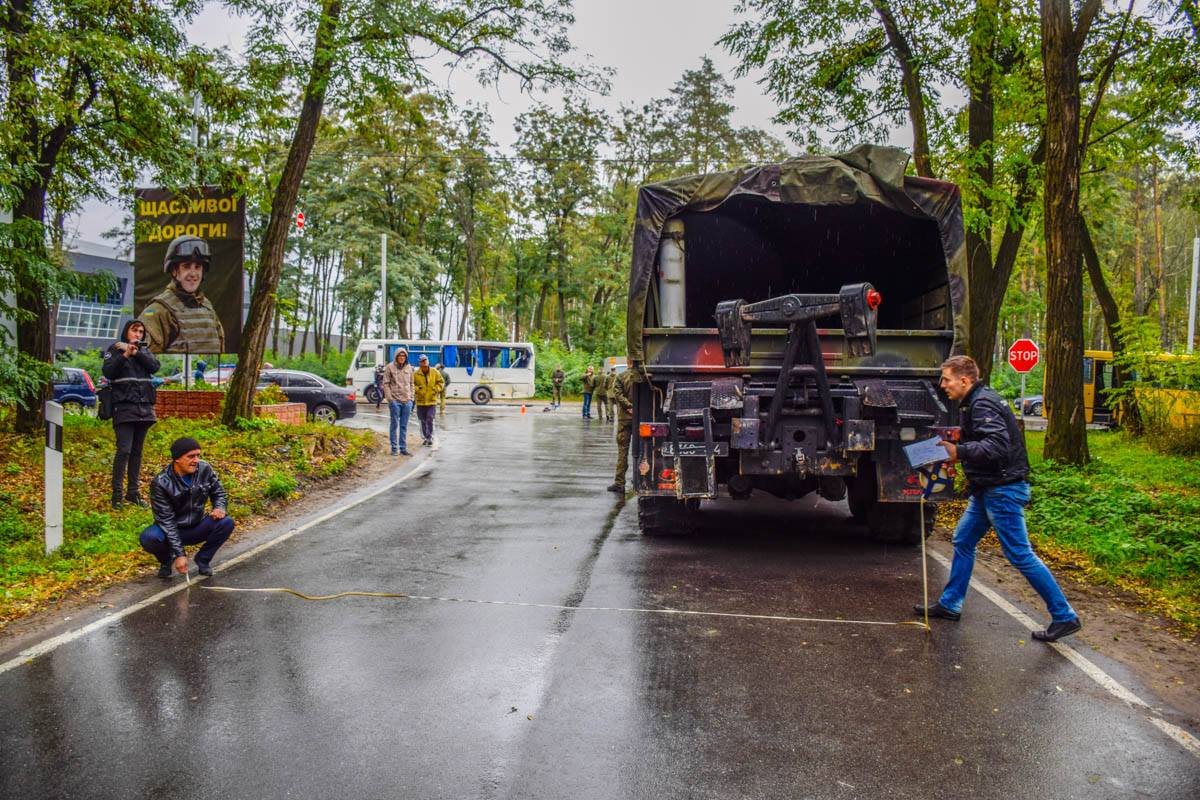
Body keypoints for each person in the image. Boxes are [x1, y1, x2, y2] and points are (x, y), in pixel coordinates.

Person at [914, 355, 1082, 643]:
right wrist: (960, 455)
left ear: (964, 380)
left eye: (946, 379)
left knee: (1019, 553)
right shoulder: (976, 401)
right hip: (987, 489)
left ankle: (1065, 616)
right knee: (963, 539)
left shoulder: (982, 404)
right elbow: (985, 445)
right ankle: (951, 603)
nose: (942, 385)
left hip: (1003, 490)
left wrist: (959, 452)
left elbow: (997, 446)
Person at [139, 437, 234, 578]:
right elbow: (166, 520)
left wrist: (219, 507)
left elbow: (219, 492)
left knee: (226, 522)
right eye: (190, 456)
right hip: (171, 530)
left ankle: (203, 559)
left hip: (197, 525)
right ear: (177, 458)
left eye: (198, 455)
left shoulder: (204, 468)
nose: (196, 460)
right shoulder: (160, 482)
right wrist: (179, 554)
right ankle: (166, 560)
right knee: (149, 537)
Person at [102, 319, 160, 509]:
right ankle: (116, 495)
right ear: (126, 332)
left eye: (141, 331)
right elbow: (109, 371)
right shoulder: (115, 349)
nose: (138, 334)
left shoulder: (144, 351)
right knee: (124, 450)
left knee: (137, 453)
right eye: (134, 330)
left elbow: (154, 367)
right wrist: (126, 354)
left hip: (144, 409)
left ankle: (133, 493)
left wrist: (138, 352)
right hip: (124, 408)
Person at [141, 234, 225, 354]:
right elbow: (144, 360)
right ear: (174, 270)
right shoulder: (159, 310)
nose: (193, 273)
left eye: (197, 267)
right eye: (186, 266)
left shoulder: (207, 306)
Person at [607, 368, 639, 493]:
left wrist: (629, 406)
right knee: (642, 451)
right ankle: (639, 479)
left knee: (622, 451)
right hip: (640, 418)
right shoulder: (642, 376)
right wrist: (635, 408)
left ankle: (619, 483)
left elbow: (618, 395)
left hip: (624, 419)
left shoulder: (621, 376)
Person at [383, 347, 414, 456]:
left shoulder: (409, 368)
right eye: (400, 356)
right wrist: (390, 399)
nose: (402, 358)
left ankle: (403, 448)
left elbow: (411, 383)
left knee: (404, 425)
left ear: (406, 357)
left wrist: (411, 398)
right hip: (395, 401)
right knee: (394, 424)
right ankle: (394, 448)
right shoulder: (389, 367)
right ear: (396, 356)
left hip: (407, 401)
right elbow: (386, 384)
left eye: (404, 356)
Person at [413, 355, 445, 446]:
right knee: (422, 420)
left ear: (428, 361)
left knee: (430, 419)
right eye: (422, 361)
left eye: (425, 360)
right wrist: (418, 389)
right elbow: (411, 385)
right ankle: (425, 437)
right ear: (419, 363)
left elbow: (441, 382)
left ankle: (430, 437)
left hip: (431, 400)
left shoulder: (434, 372)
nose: (424, 362)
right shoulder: (415, 374)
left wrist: (436, 389)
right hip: (420, 401)